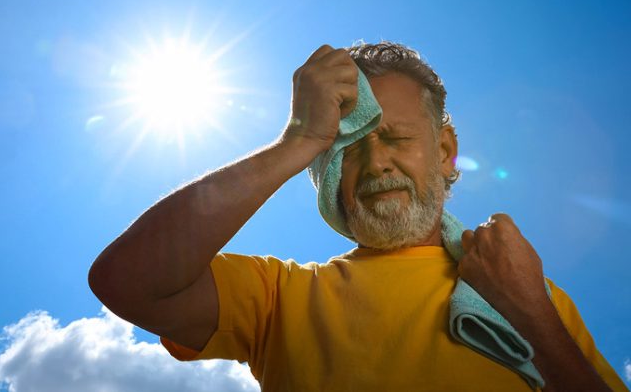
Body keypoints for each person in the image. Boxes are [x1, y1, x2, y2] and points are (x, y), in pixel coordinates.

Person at [88, 42, 628, 391]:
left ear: (444, 152)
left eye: (395, 136)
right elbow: (127, 282)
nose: (376, 162)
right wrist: (298, 139)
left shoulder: (536, 297)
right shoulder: (279, 297)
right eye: (344, 149)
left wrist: (532, 312)